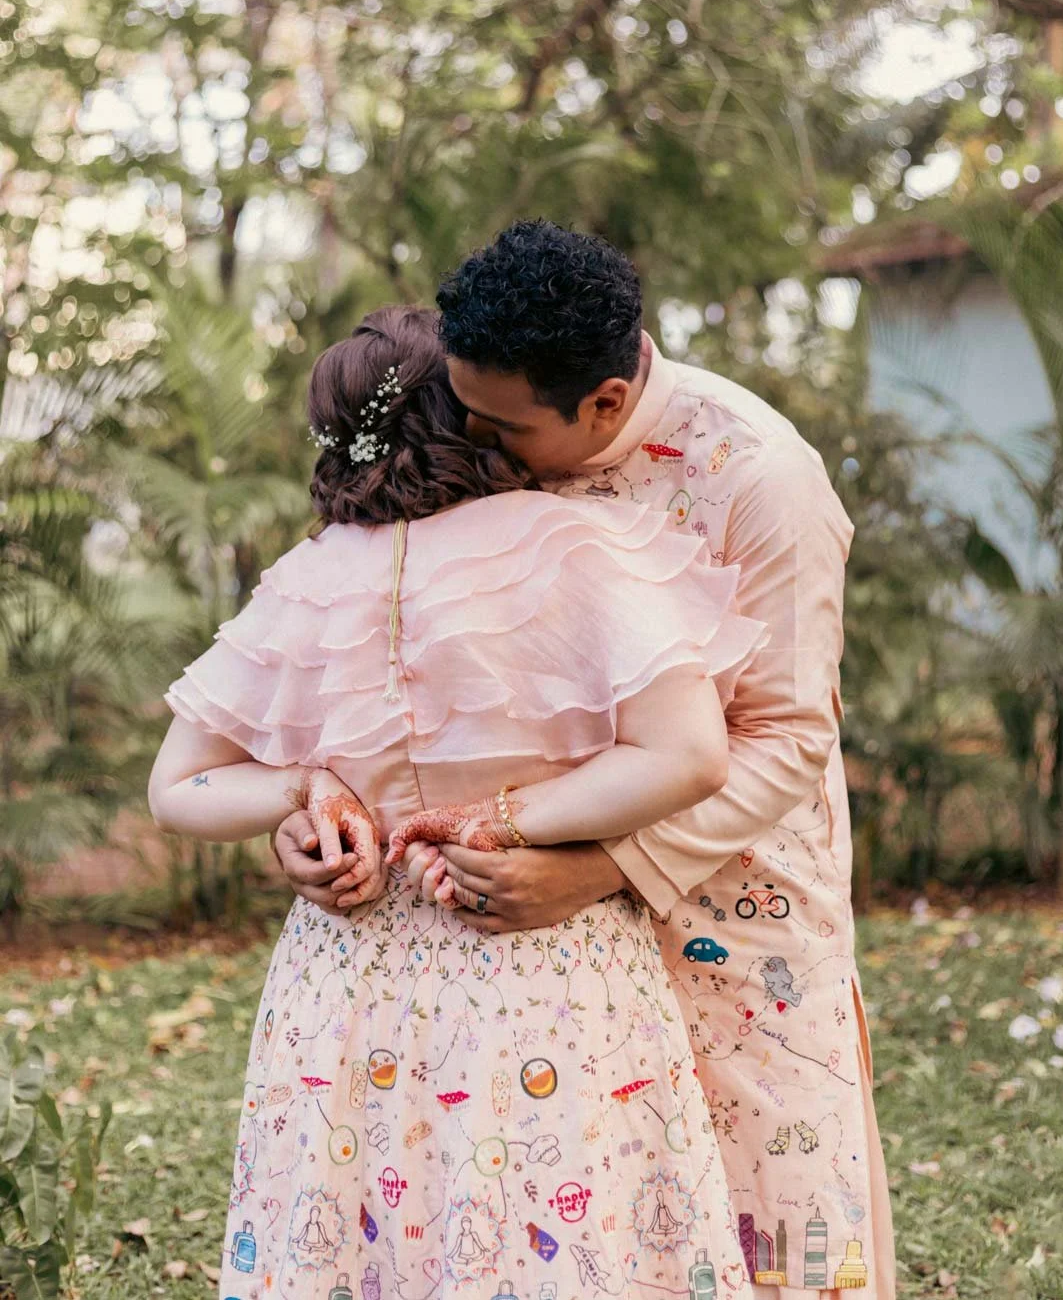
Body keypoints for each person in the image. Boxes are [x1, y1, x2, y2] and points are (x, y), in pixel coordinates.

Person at [275, 224, 897, 1300]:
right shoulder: (490, 464)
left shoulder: (755, 476)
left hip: (732, 906)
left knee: (775, 1213)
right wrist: (324, 810)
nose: (476, 444)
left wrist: (604, 867)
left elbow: (789, 735)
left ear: (604, 400)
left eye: (498, 424)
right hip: (539, 944)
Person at [148, 304, 769, 1300]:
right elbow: (690, 756)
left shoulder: (307, 579)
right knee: (560, 1230)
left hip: (345, 985)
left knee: (363, 1237)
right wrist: (512, 817)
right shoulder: (578, 547)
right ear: (471, 409)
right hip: (542, 963)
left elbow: (177, 786)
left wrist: (303, 791)